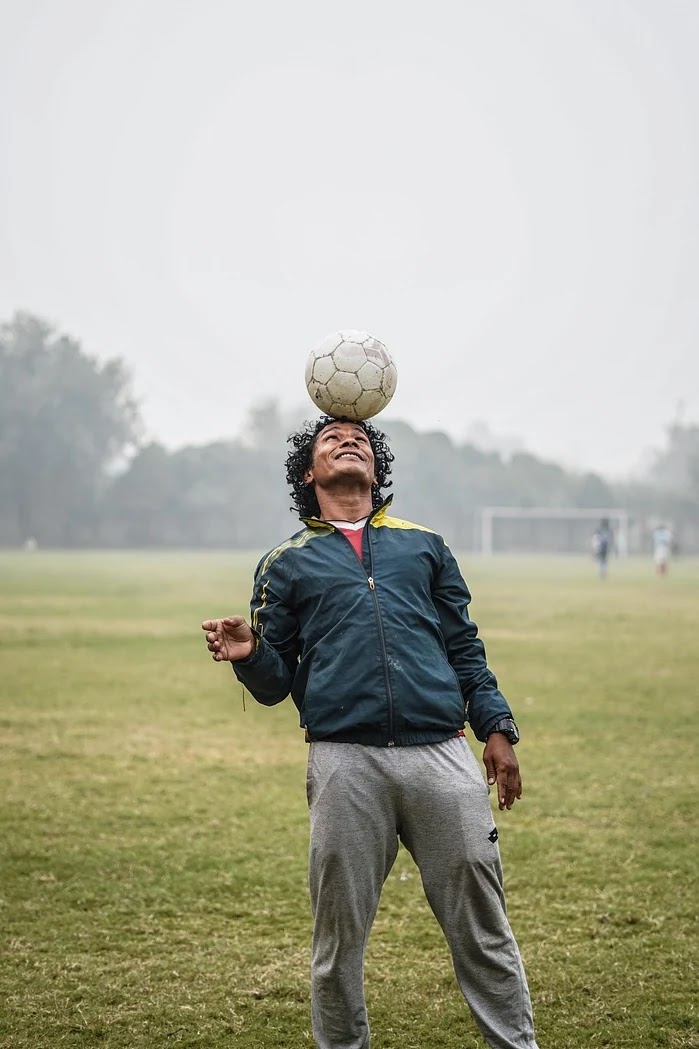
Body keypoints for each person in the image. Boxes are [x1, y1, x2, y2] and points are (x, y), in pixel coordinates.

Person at [202, 416, 540, 1049]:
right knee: (338, 939)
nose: (346, 440)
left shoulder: (426, 547)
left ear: (377, 468)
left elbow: (464, 648)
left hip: (443, 756)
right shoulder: (286, 564)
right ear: (308, 473)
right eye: (329, 439)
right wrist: (250, 654)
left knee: (484, 928)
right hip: (343, 763)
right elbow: (278, 683)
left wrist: (496, 725)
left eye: (358, 437)